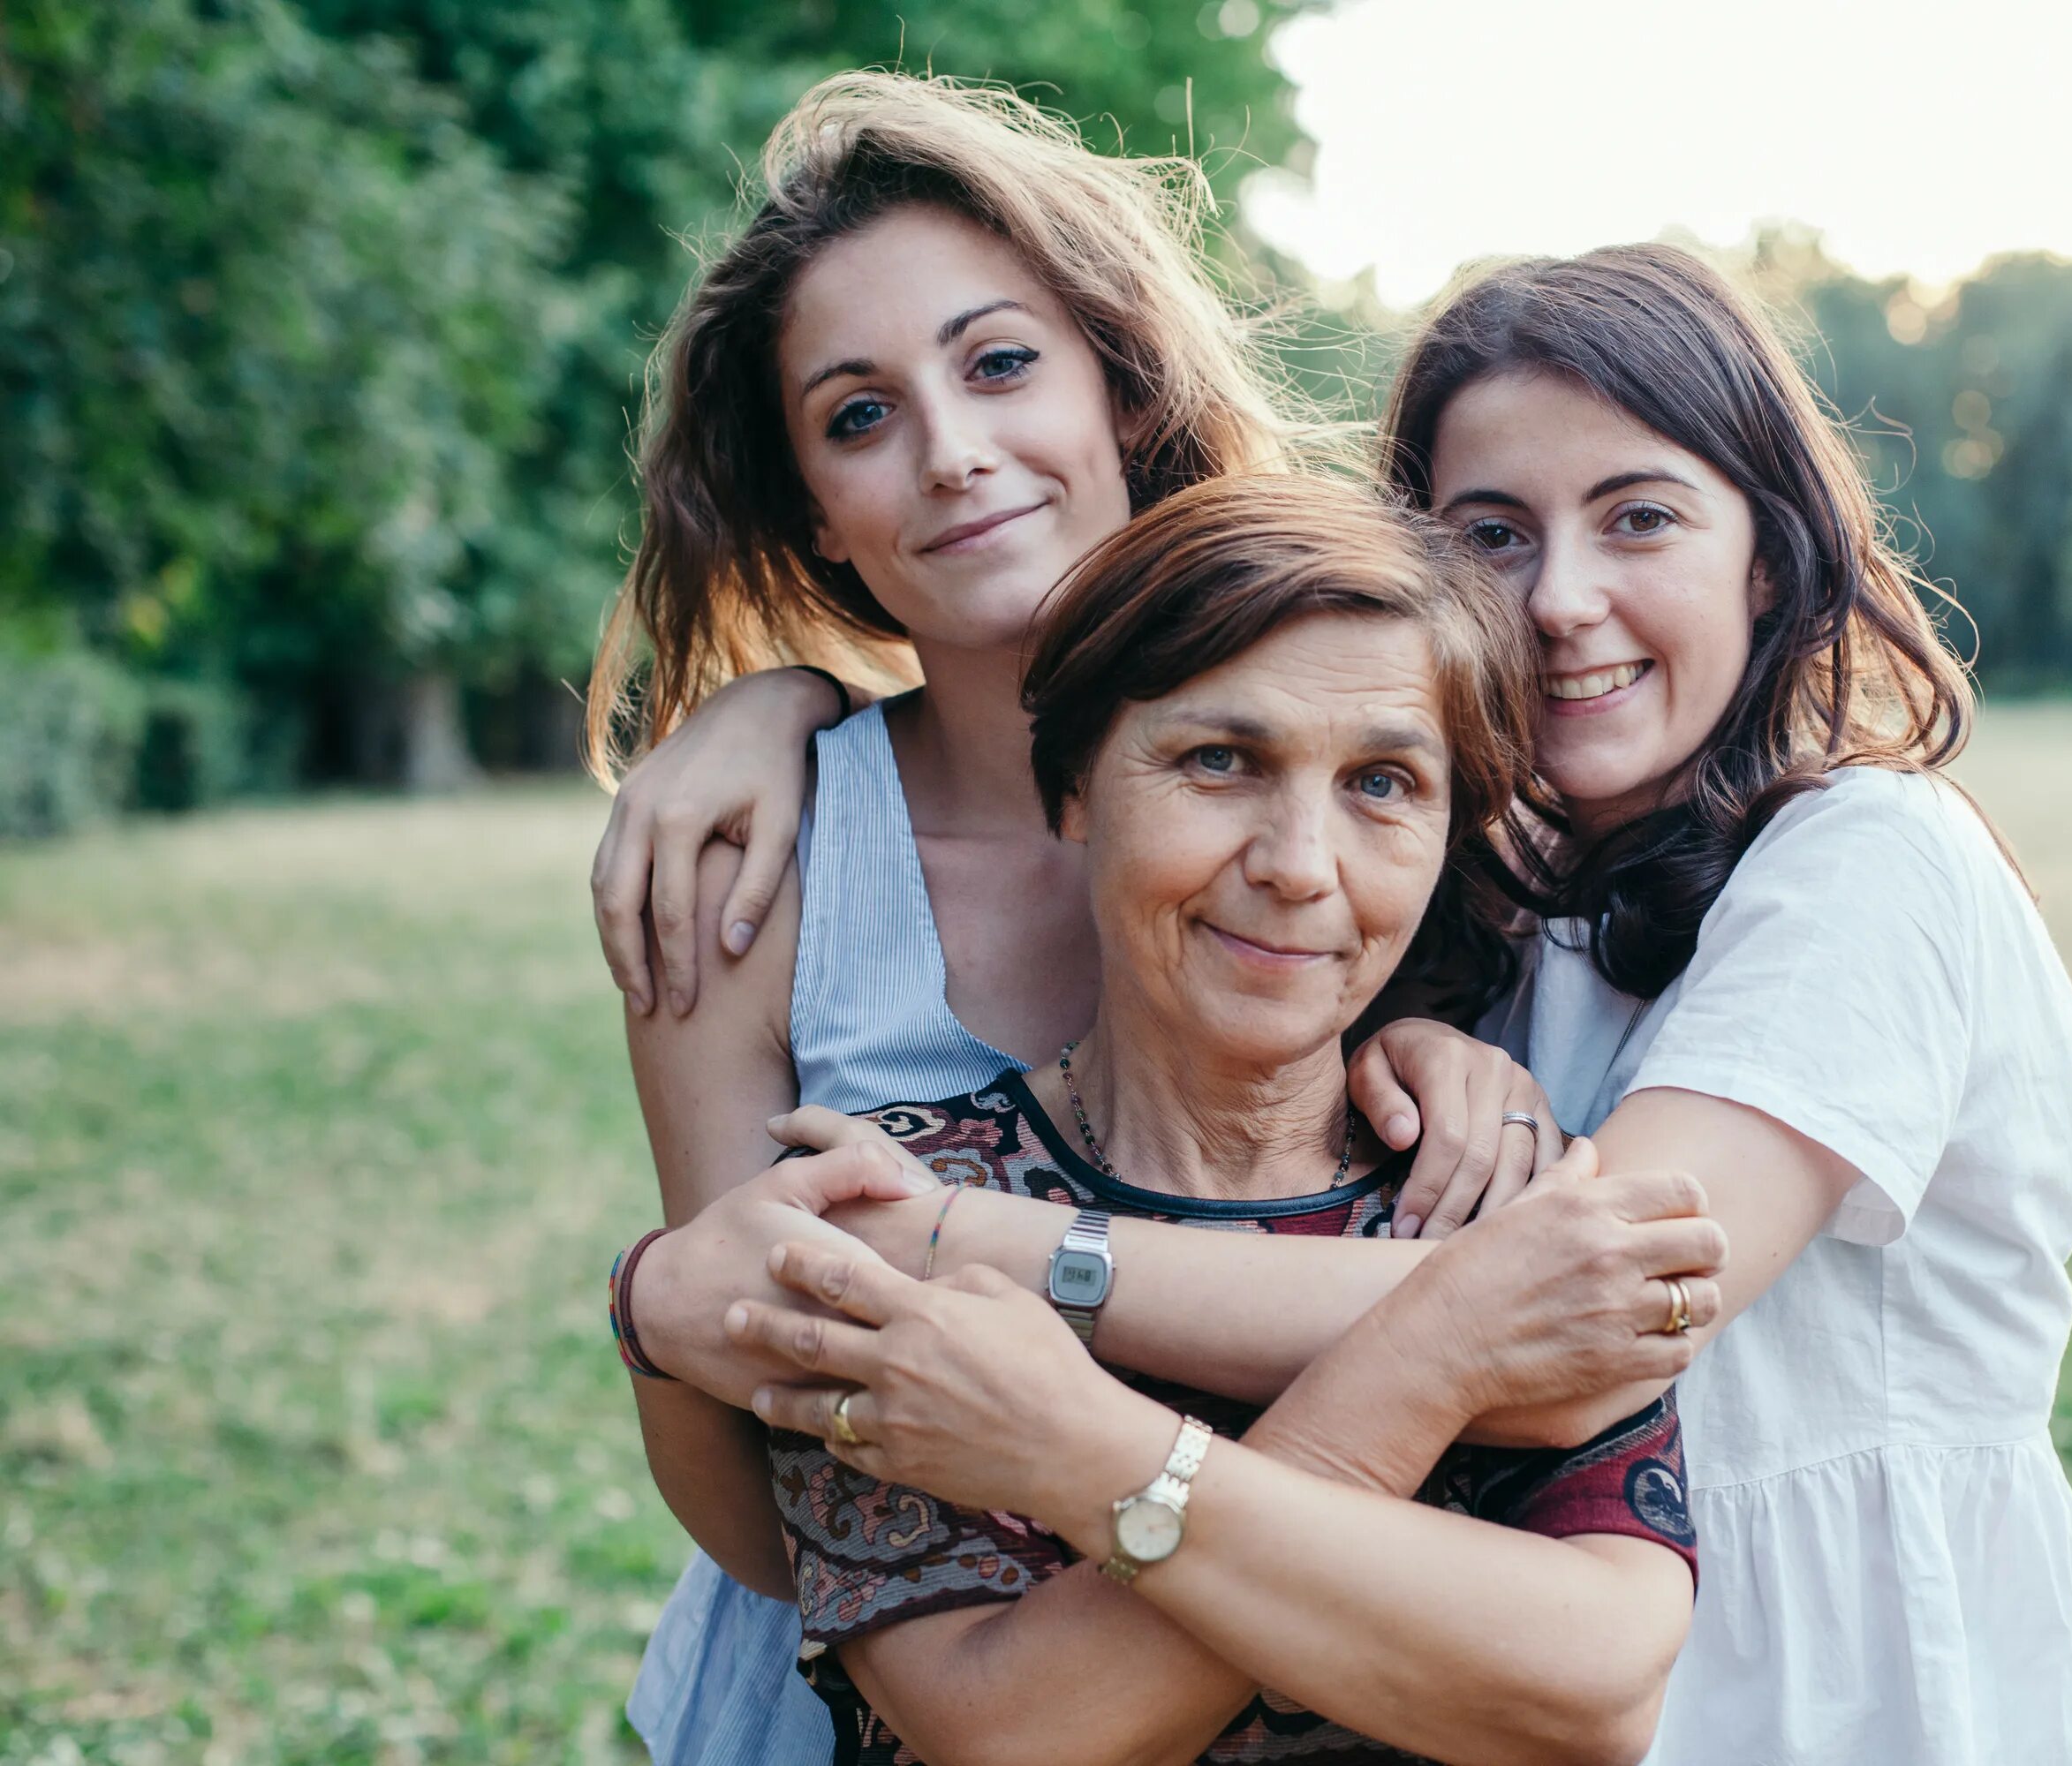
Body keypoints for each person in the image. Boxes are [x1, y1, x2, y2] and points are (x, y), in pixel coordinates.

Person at [616, 240, 2072, 1765]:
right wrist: (776, 700)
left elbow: (1590, 1317)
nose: (1565, 598)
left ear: (1772, 559)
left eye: (1640, 518)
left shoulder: (1868, 857)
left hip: (1823, 1679)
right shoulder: (1505, 896)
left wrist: (975, 1261)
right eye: (1494, 534)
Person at [592, 72, 1583, 1766]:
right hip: (902, 1678)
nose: (954, 452)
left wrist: (1428, 1048)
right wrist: (773, 706)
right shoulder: (750, 862)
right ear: (810, 514)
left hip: (1330, 1646)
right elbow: (766, 1440)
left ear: (1121, 387)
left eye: (998, 364)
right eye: (859, 416)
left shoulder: (1349, 755)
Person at [632, 472, 1716, 1764]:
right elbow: (1011, 1730)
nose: (1300, 865)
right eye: (1220, 761)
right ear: (1075, 790)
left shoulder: (1499, 1205)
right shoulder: (883, 1205)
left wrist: (1085, 1451)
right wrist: (1433, 1359)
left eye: (1383, 784)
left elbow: (1591, 1691)